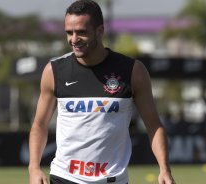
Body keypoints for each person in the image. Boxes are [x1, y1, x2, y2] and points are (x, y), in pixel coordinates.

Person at [28, 0, 176, 184]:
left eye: (81, 32)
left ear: (100, 30)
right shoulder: (54, 71)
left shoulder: (132, 71)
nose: (74, 39)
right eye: (69, 32)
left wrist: (164, 169)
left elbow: (154, 125)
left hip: (113, 180)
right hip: (64, 178)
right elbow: (39, 125)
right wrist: (33, 168)